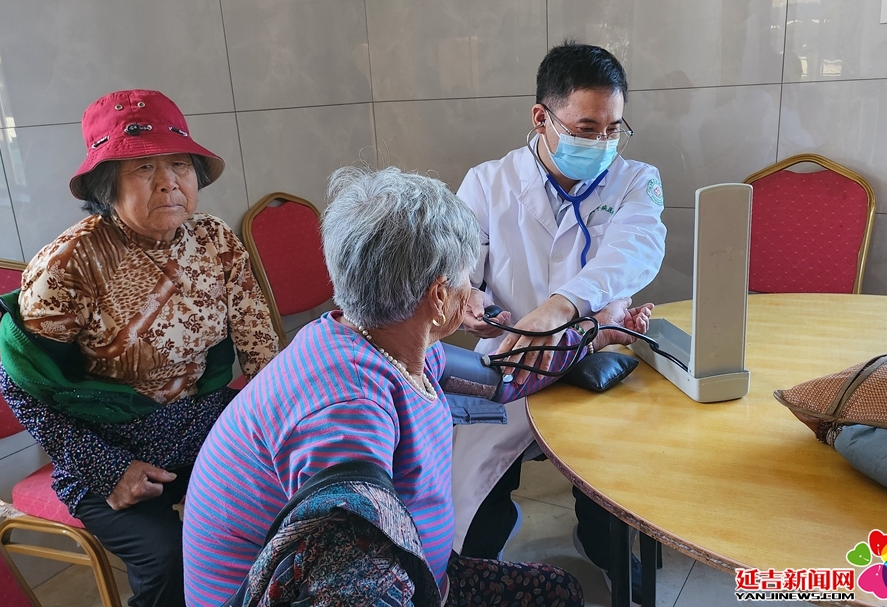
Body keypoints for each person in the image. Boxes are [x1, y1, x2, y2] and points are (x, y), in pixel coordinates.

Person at [182, 166, 650, 606]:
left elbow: (503, 378)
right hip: (342, 589)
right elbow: (350, 586)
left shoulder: (379, 338)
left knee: (560, 590)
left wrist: (596, 333)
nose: (473, 290)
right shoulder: (347, 414)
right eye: (467, 278)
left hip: (414, 569)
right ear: (439, 296)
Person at [0, 89, 278, 607]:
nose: (169, 181)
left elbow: (259, 343)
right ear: (106, 186)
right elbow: (18, 384)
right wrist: (108, 470)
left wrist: (280, 428)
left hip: (204, 427)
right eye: (144, 167)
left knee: (288, 510)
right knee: (168, 559)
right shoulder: (70, 263)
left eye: (180, 164)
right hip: (109, 450)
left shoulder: (214, 240)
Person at [453, 41, 667, 599]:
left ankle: (599, 541)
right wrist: (469, 304)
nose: (602, 143)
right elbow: (458, 268)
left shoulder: (635, 179)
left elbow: (636, 251)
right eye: (586, 128)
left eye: (614, 129)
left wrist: (560, 307)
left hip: (593, 356)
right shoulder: (487, 183)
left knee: (607, 487)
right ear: (541, 117)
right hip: (507, 359)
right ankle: (491, 531)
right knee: (471, 506)